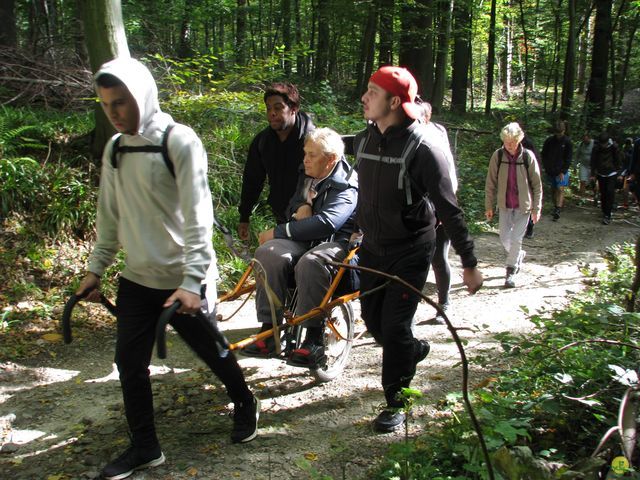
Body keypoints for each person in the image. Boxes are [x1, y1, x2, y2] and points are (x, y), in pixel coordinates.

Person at [73, 57, 259, 480]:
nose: (114, 112)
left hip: (183, 280)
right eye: (105, 105)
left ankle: (245, 399)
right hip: (137, 278)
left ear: (142, 95)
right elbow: (110, 215)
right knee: (128, 362)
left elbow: (199, 218)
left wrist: (194, 281)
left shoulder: (179, 141)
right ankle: (145, 446)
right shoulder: (116, 149)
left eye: (120, 102)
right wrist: (95, 269)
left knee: (211, 351)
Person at [355, 66, 483, 433]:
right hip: (372, 249)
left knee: (394, 328)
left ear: (395, 101)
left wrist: (469, 262)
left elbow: (449, 209)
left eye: (372, 92)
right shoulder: (363, 141)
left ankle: (397, 402)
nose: (364, 98)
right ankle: (411, 350)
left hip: (410, 249)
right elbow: (360, 194)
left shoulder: (424, 149)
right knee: (375, 323)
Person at [241, 127, 357, 365]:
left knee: (311, 262)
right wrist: (299, 206)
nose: (305, 159)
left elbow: (328, 223)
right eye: (305, 153)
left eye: (312, 154)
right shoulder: (309, 174)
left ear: (331, 159)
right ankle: (270, 330)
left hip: (335, 242)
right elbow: (290, 205)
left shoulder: (346, 184)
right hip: (306, 240)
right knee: (267, 253)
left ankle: (313, 339)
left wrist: (279, 231)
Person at [238, 82, 316, 241]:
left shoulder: (313, 141)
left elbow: (324, 179)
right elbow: (252, 180)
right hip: (281, 214)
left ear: (293, 108)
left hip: (311, 218)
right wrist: (244, 216)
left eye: (278, 107)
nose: (272, 113)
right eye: (268, 108)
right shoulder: (263, 142)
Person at [485, 123, 543, 288]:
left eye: (512, 142)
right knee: (504, 238)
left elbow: (537, 185)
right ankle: (518, 255)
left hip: (523, 206)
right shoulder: (498, 156)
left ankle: (511, 272)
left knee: (516, 239)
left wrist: (536, 209)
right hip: (504, 205)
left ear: (519, 140)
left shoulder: (528, 157)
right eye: (506, 141)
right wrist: (489, 205)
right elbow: (490, 183)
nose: (509, 145)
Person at [418, 102, 457, 324]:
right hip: (416, 210)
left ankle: (444, 304)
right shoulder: (404, 138)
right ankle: (406, 315)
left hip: (438, 205)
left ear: (425, 118)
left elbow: (449, 176)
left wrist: (444, 207)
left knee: (439, 257)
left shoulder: (436, 137)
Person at [541, 121, 572, 221]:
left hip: (561, 170)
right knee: (553, 189)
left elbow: (568, 158)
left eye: (560, 132)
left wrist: (563, 171)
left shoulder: (567, 142)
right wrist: (545, 166)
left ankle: (558, 209)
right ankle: (555, 207)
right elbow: (544, 154)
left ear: (564, 131)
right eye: (557, 132)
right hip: (550, 169)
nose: (558, 134)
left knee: (560, 188)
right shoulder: (549, 141)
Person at [591, 132, 622, 225]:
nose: (603, 145)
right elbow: (593, 161)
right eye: (602, 144)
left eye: (604, 143)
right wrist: (593, 174)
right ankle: (604, 210)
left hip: (612, 173)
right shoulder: (596, 148)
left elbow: (618, 160)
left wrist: (619, 173)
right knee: (603, 193)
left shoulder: (614, 148)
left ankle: (607, 215)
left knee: (610, 192)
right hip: (601, 173)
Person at [575, 133, 595, 198]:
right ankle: (582, 197)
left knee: (593, 182)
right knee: (582, 181)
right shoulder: (581, 145)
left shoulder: (594, 144)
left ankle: (595, 196)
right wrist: (575, 165)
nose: (585, 142)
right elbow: (577, 156)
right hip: (583, 165)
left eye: (586, 140)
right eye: (584, 140)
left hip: (593, 166)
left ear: (589, 138)